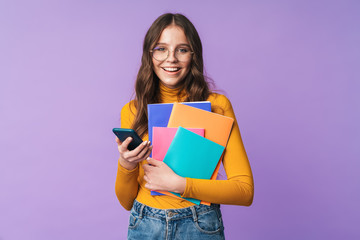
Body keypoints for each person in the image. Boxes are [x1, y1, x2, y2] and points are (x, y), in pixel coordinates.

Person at [115, 13, 254, 240]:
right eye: (161, 48)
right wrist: (126, 164)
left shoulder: (217, 106)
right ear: (149, 55)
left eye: (182, 49)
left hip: (200, 225)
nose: (171, 58)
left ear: (193, 56)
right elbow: (126, 201)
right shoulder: (132, 111)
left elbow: (245, 191)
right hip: (145, 225)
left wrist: (179, 184)